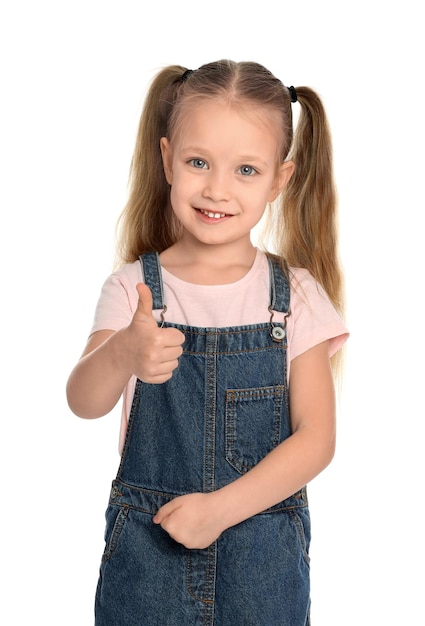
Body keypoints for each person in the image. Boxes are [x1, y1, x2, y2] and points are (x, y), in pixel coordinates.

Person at [66, 59, 348, 625]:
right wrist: (124, 351)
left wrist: (219, 510)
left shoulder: (294, 295)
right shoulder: (133, 289)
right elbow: (83, 401)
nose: (217, 188)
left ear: (280, 179)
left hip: (262, 554)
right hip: (148, 554)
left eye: (246, 169)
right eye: (199, 162)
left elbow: (316, 439)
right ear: (167, 159)